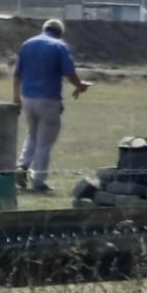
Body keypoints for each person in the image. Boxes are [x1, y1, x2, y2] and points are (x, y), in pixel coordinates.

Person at [14, 18, 89, 192]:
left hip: (27, 98)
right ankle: (38, 181)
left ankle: (22, 166)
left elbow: (17, 74)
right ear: (60, 32)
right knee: (44, 142)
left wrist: (16, 97)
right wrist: (80, 86)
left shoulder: (27, 44)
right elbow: (69, 72)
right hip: (48, 99)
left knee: (32, 135)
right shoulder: (59, 46)